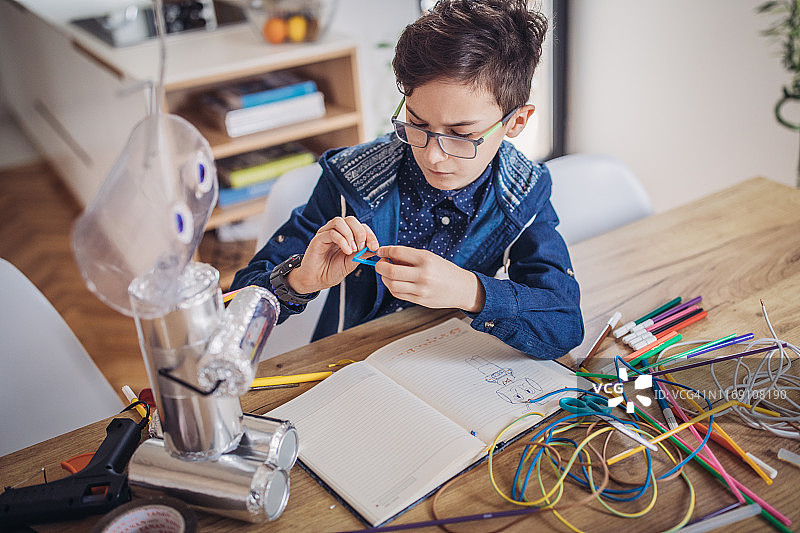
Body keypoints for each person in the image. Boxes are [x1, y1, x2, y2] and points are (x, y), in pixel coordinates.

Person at [230, 0, 583, 359]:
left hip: (458, 363)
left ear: (516, 122)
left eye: (461, 134)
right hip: (350, 367)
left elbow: (564, 324)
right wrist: (300, 280)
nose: (432, 154)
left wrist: (471, 291)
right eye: (417, 124)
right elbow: (237, 308)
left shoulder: (521, 194)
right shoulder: (351, 181)